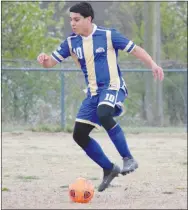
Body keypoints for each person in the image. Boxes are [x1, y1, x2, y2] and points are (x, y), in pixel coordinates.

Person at [37, 2, 164, 192]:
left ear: (89, 19)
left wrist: (153, 64)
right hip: (93, 93)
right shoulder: (72, 42)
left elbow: (136, 49)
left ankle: (128, 158)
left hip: (113, 87)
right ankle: (108, 168)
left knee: (104, 113)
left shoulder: (108, 35)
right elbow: (50, 63)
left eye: (77, 19)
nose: (72, 23)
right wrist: (44, 59)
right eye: (71, 19)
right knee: (79, 134)